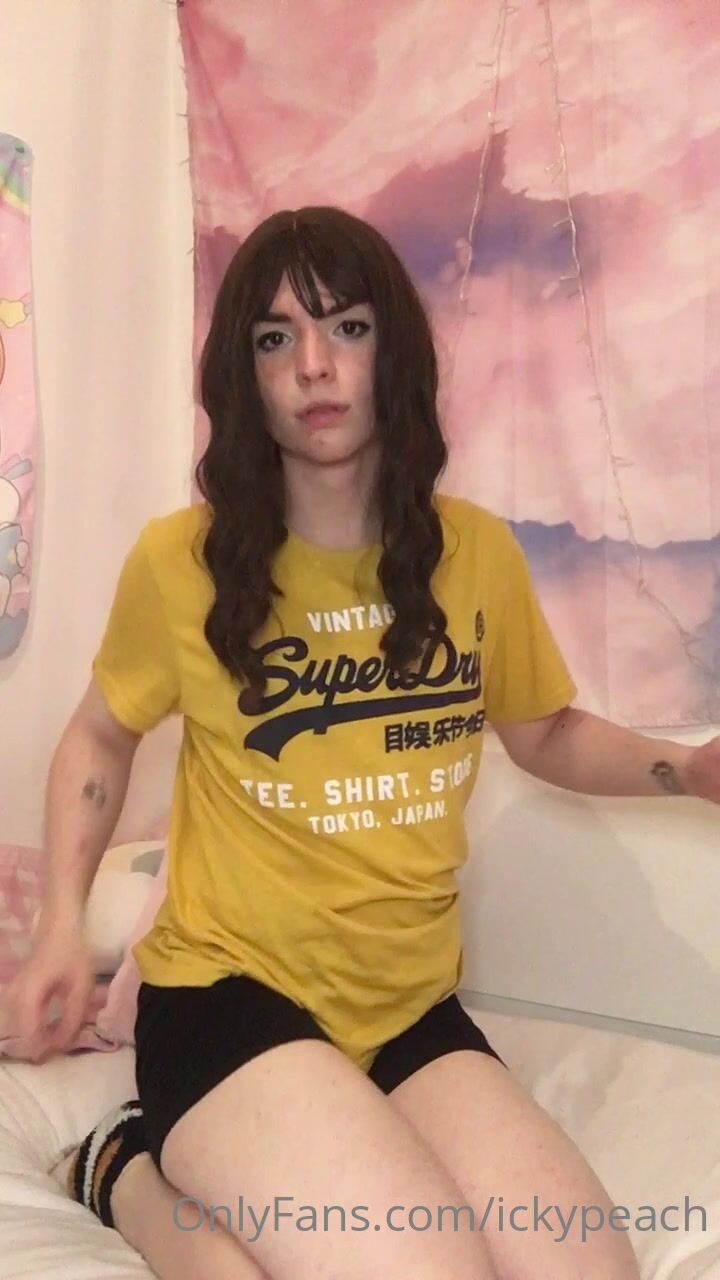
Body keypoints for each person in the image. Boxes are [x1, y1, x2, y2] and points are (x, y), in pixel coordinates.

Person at [6, 205, 718, 1280]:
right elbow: (100, 737)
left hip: (406, 1005)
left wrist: (690, 769)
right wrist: (63, 924)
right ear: (245, 374)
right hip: (228, 1001)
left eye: (347, 325)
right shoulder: (182, 564)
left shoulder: (473, 555)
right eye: (276, 337)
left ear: (396, 351)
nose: (314, 364)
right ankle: (124, 1165)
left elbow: (548, 731)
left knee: (589, 1270)